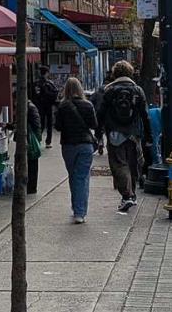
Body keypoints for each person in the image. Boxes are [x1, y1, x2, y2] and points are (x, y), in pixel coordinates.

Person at [97, 60, 153, 212]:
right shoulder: (138, 90)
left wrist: (98, 133)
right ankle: (132, 194)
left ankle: (127, 196)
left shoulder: (109, 90)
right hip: (133, 133)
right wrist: (148, 136)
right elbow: (145, 115)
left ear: (115, 73)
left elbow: (101, 113)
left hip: (114, 133)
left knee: (119, 164)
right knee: (133, 164)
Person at [54, 78, 100, 223]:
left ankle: (77, 208)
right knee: (81, 177)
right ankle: (79, 212)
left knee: (73, 176)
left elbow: (58, 126)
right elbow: (94, 124)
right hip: (85, 145)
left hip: (68, 145)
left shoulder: (63, 106)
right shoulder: (88, 105)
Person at [32, 68, 59, 144]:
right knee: (49, 124)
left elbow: (34, 95)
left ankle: (38, 140)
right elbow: (56, 92)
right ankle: (48, 141)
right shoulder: (49, 83)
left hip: (39, 106)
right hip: (49, 105)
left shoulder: (36, 83)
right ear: (46, 73)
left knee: (40, 123)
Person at [21, 98, 42, 195]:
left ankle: (31, 187)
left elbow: (35, 124)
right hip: (32, 137)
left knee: (32, 163)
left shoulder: (28, 108)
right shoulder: (30, 107)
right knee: (31, 163)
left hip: (31, 138)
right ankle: (31, 186)